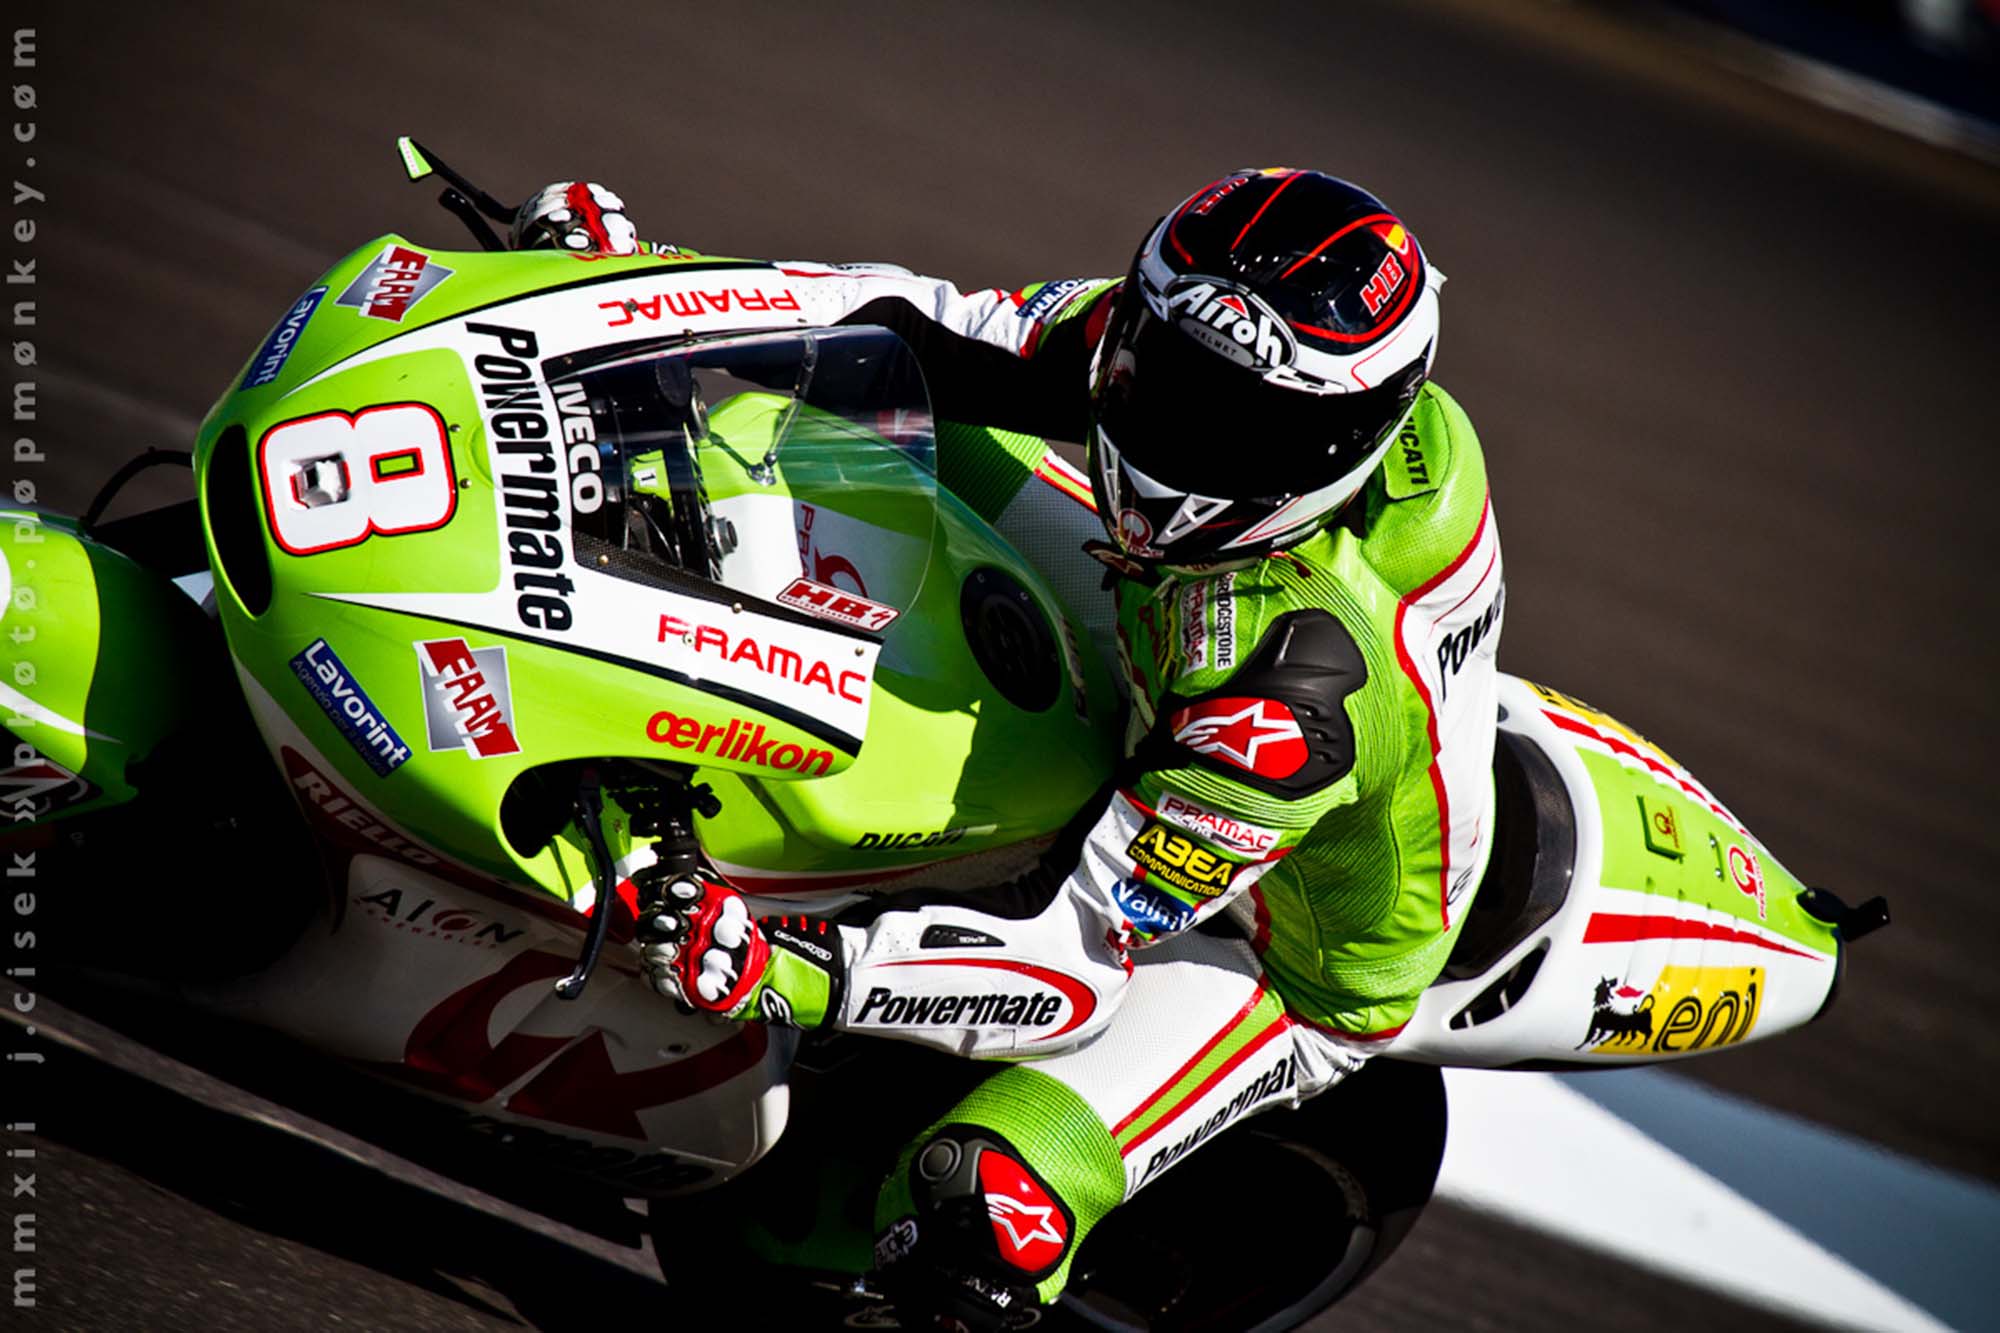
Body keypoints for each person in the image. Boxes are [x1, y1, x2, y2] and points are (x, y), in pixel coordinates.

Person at [514, 170, 1504, 1327]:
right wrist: (637, 290)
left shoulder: (1298, 693)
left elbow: (1067, 963)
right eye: (1162, 380)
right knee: (866, 414)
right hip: (1170, 627)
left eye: (1234, 429)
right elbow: (922, 331)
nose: (1172, 434)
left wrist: (777, 966)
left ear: (1342, 441)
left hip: (1269, 940)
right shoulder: (1192, 342)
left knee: (979, 1202)